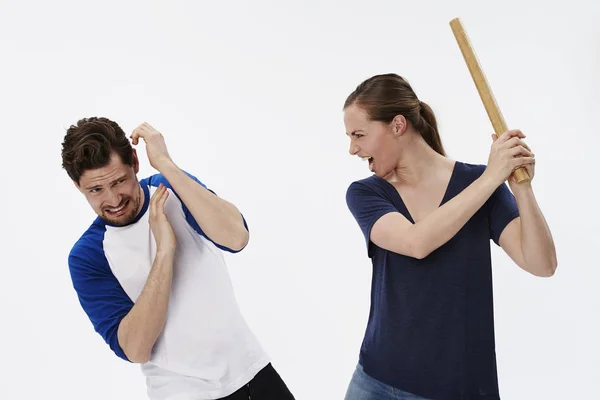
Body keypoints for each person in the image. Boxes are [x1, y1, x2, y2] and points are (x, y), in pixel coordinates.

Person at [342, 73, 557, 400]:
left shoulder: (479, 184)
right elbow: (417, 243)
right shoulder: (367, 194)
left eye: (359, 134)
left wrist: (521, 189)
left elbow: (542, 264)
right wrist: (491, 177)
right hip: (374, 382)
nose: (353, 149)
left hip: (457, 389)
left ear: (397, 126)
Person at [61, 118, 295, 400]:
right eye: (95, 190)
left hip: (253, 371)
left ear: (134, 162)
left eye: (119, 181)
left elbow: (236, 238)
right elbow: (135, 349)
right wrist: (164, 251)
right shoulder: (88, 256)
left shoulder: (168, 188)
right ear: (78, 186)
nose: (112, 199)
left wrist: (166, 164)